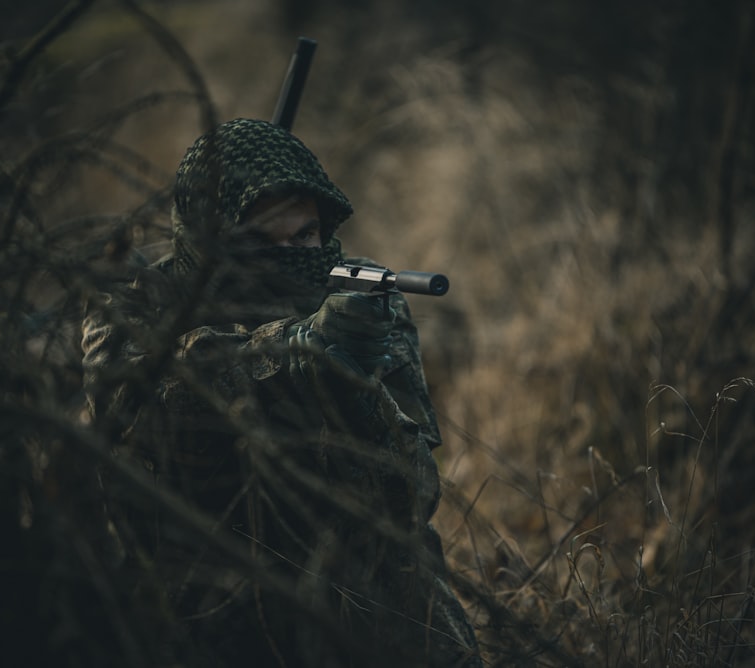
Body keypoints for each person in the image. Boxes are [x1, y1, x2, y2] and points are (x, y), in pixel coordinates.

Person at [81, 118, 481, 667]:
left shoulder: (358, 295)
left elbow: (409, 495)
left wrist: (351, 383)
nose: (289, 255)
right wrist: (295, 354)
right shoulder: (135, 303)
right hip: (196, 579)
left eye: (304, 236)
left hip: (348, 576)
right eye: (257, 242)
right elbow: (135, 414)